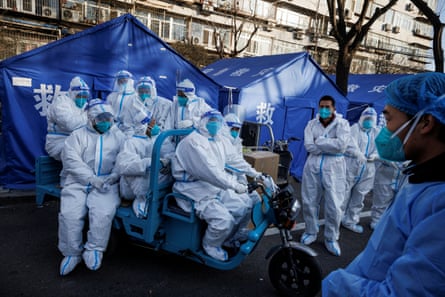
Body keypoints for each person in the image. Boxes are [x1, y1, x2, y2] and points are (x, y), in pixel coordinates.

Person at [323, 72, 445, 296]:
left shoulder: (439, 202)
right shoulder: (423, 180)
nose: (385, 129)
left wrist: (338, 285)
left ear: (426, 122)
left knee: (356, 199)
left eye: (388, 120)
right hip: (350, 168)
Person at [171, 109, 252, 261]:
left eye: (217, 122)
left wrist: (254, 174)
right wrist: (234, 185)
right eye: (211, 121)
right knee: (223, 220)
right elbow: (211, 172)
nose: (214, 125)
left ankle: (227, 238)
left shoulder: (213, 140)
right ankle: (210, 245)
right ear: (203, 122)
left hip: (209, 186)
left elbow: (230, 162)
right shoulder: (193, 143)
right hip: (191, 189)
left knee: (243, 207)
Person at [58, 98, 125, 276]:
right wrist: (90, 178)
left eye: (108, 119)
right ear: (91, 119)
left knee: (103, 213)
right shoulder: (77, 135)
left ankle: (95, 249)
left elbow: (123, 157)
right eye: (101, 119)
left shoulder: (118, 135)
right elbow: (71, 160)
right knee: (70, 214)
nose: (105, 123)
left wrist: (114, 175)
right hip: (78, 181)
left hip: (107, 183)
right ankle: (72, 253)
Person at [299, 95, 351, 256]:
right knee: (309, 201)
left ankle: (331, 238)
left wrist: (319, 141)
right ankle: (311, 231)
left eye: (328, 106)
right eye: (322, 106)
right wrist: (329, 144)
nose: (324, 109)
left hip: (334, 167)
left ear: (334, 108)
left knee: (334, 205)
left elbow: (341, 146)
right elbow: (309, 146)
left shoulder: (343, 124)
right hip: (313, 164)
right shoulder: (311, 124)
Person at [115, 119, 175, 218]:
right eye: (149, 124)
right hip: (131, 187)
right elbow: (124, 166)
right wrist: (149, 163)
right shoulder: (131, 142)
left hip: (151, 181)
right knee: (141, 178)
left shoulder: (159, 138)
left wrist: (167, 162)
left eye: (154, 123)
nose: (155, 126)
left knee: (166, 175)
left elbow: (170, 153)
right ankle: (141, 203)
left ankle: (150, 200)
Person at [341, 107, 379, 233]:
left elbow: (381, 146)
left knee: (359, 196)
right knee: (344, 194)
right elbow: (349, 145)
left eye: (371, 119)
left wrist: (375, 155)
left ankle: (350, 221)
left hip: (368, 168)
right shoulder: (353, 129)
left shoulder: (376, 132)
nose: (368, 121)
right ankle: (337, 219)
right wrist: (358, 154)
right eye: (366, 119)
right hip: (352, 165)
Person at [45, 76, 89, 161]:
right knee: (79, 155)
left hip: (77, 142)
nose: (82, 99)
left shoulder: (84, 105)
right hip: (58, 143)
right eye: (79, 96)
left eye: (85, 96)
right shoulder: (61, 103)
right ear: (73, 93)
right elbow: (70, 124)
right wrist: (88, 117)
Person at [106, 70, 150, 137]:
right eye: (120, 81)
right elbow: (107, 112)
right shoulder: (112, 96)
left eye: (124, 80)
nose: (122, 82)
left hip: (130, 130)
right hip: (113, 127)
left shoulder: (136, 97)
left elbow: (141, 114)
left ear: (130, 81)